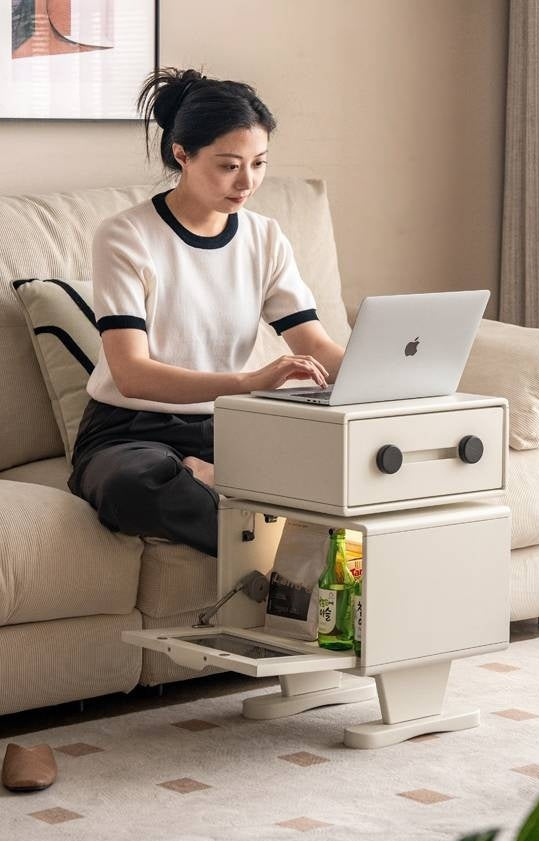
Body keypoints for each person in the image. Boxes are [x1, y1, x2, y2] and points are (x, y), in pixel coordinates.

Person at [67, 67, 345, 557]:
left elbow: (315, 346)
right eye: (229, 165)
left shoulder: (264, 238)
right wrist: (248, 382)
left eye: (259, 163)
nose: (248, 182)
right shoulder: (125, 237)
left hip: (226, 429)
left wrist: (389, 378)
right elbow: (132, 375)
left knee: (338, 466)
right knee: (132, 486)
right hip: (128, 432)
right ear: (182, 154)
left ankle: (225, 489)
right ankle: (283, 548)